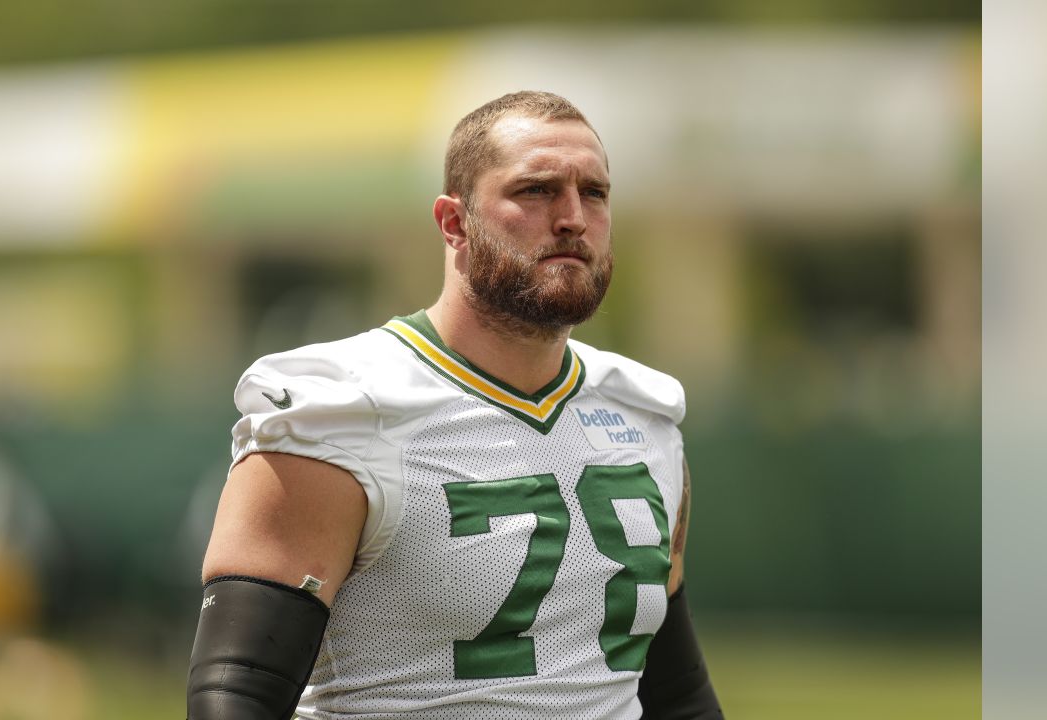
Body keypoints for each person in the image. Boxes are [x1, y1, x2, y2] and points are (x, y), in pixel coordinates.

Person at [187, 91, 723, 719]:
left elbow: (675, 692)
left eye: (595, 193)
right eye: (537, 190)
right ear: (454, 221)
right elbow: (235, 694)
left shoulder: (645, 415)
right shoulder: (341, 411)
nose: (574, 217)